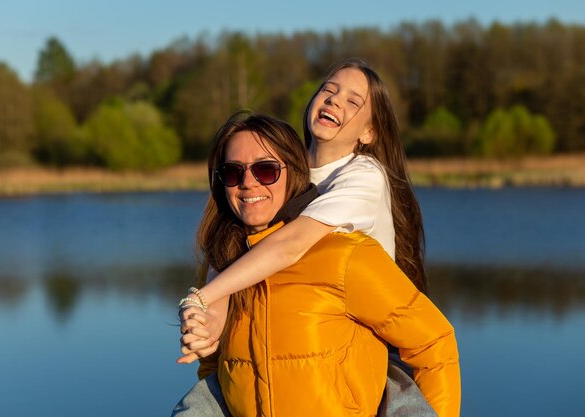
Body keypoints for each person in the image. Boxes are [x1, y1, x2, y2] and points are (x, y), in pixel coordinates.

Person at [174, 112, 460, 416]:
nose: (248, 183)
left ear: (295, 172)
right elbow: (214, 369)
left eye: (266, 170)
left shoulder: (345, 256)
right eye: (233, 172)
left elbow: (434, 344)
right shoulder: (223, 264)